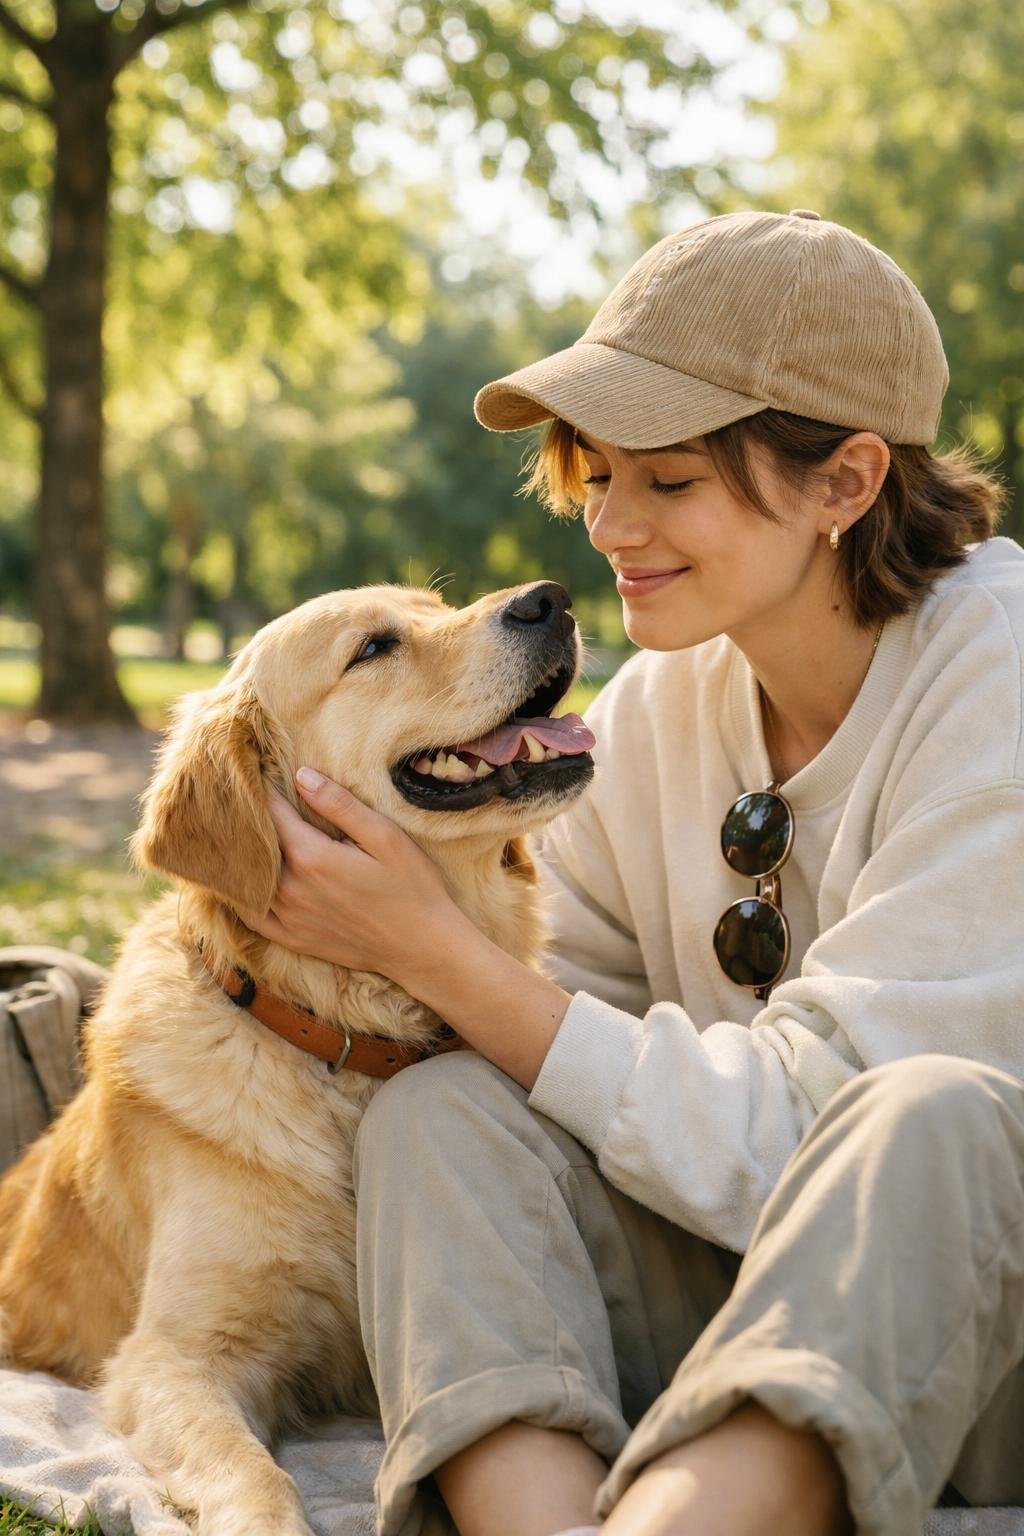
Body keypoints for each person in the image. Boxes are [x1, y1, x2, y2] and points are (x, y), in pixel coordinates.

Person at [247, 209, 1024, 1536]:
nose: (608, 522)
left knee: (927, 1115)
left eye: (669, 482)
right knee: (440, 1115)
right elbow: (553, 1028)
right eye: (596, 472)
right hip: (733, 1286)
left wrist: (440, 951)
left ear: (844, 484)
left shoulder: (995, 672)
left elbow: (805, 1128)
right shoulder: (668, 696)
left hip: (965, 1316)